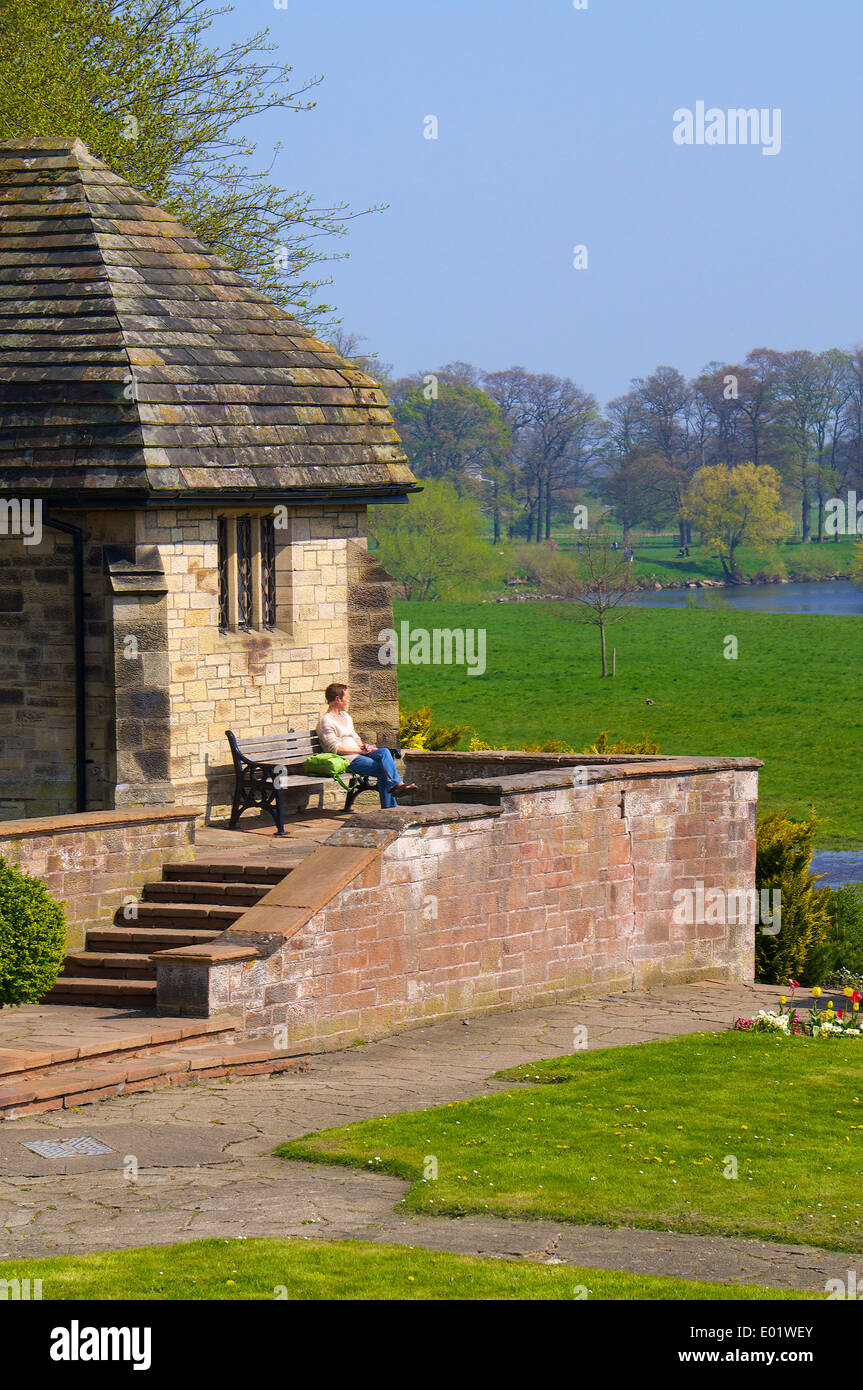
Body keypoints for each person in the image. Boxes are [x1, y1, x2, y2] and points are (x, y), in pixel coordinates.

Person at [316, 683, 415, 809]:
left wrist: (364, 746)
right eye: (346, 697)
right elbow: (335, 749)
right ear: (337, 699)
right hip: (347, 759)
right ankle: (391, 807)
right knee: (383, 769)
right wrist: (359, 751)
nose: (348, 700)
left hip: (359, 752)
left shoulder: (346, 716)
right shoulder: (326, 721)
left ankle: (398, 785)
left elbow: (354, 736)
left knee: (384, 751)